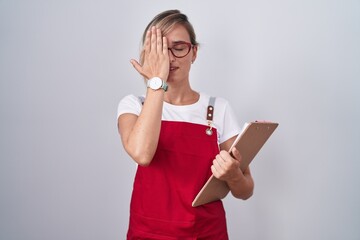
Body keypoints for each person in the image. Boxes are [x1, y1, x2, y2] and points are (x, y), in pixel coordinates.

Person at [117, 9, 254, 240]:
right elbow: (142, 154)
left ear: (194, 53)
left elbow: (246, 190)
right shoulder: (134, 106)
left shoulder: (218, 109)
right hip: (148, 233)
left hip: (206, 233)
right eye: (160, 50)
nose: (168, 59)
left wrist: (233, 176)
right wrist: (156, 82)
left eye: (178, 48)